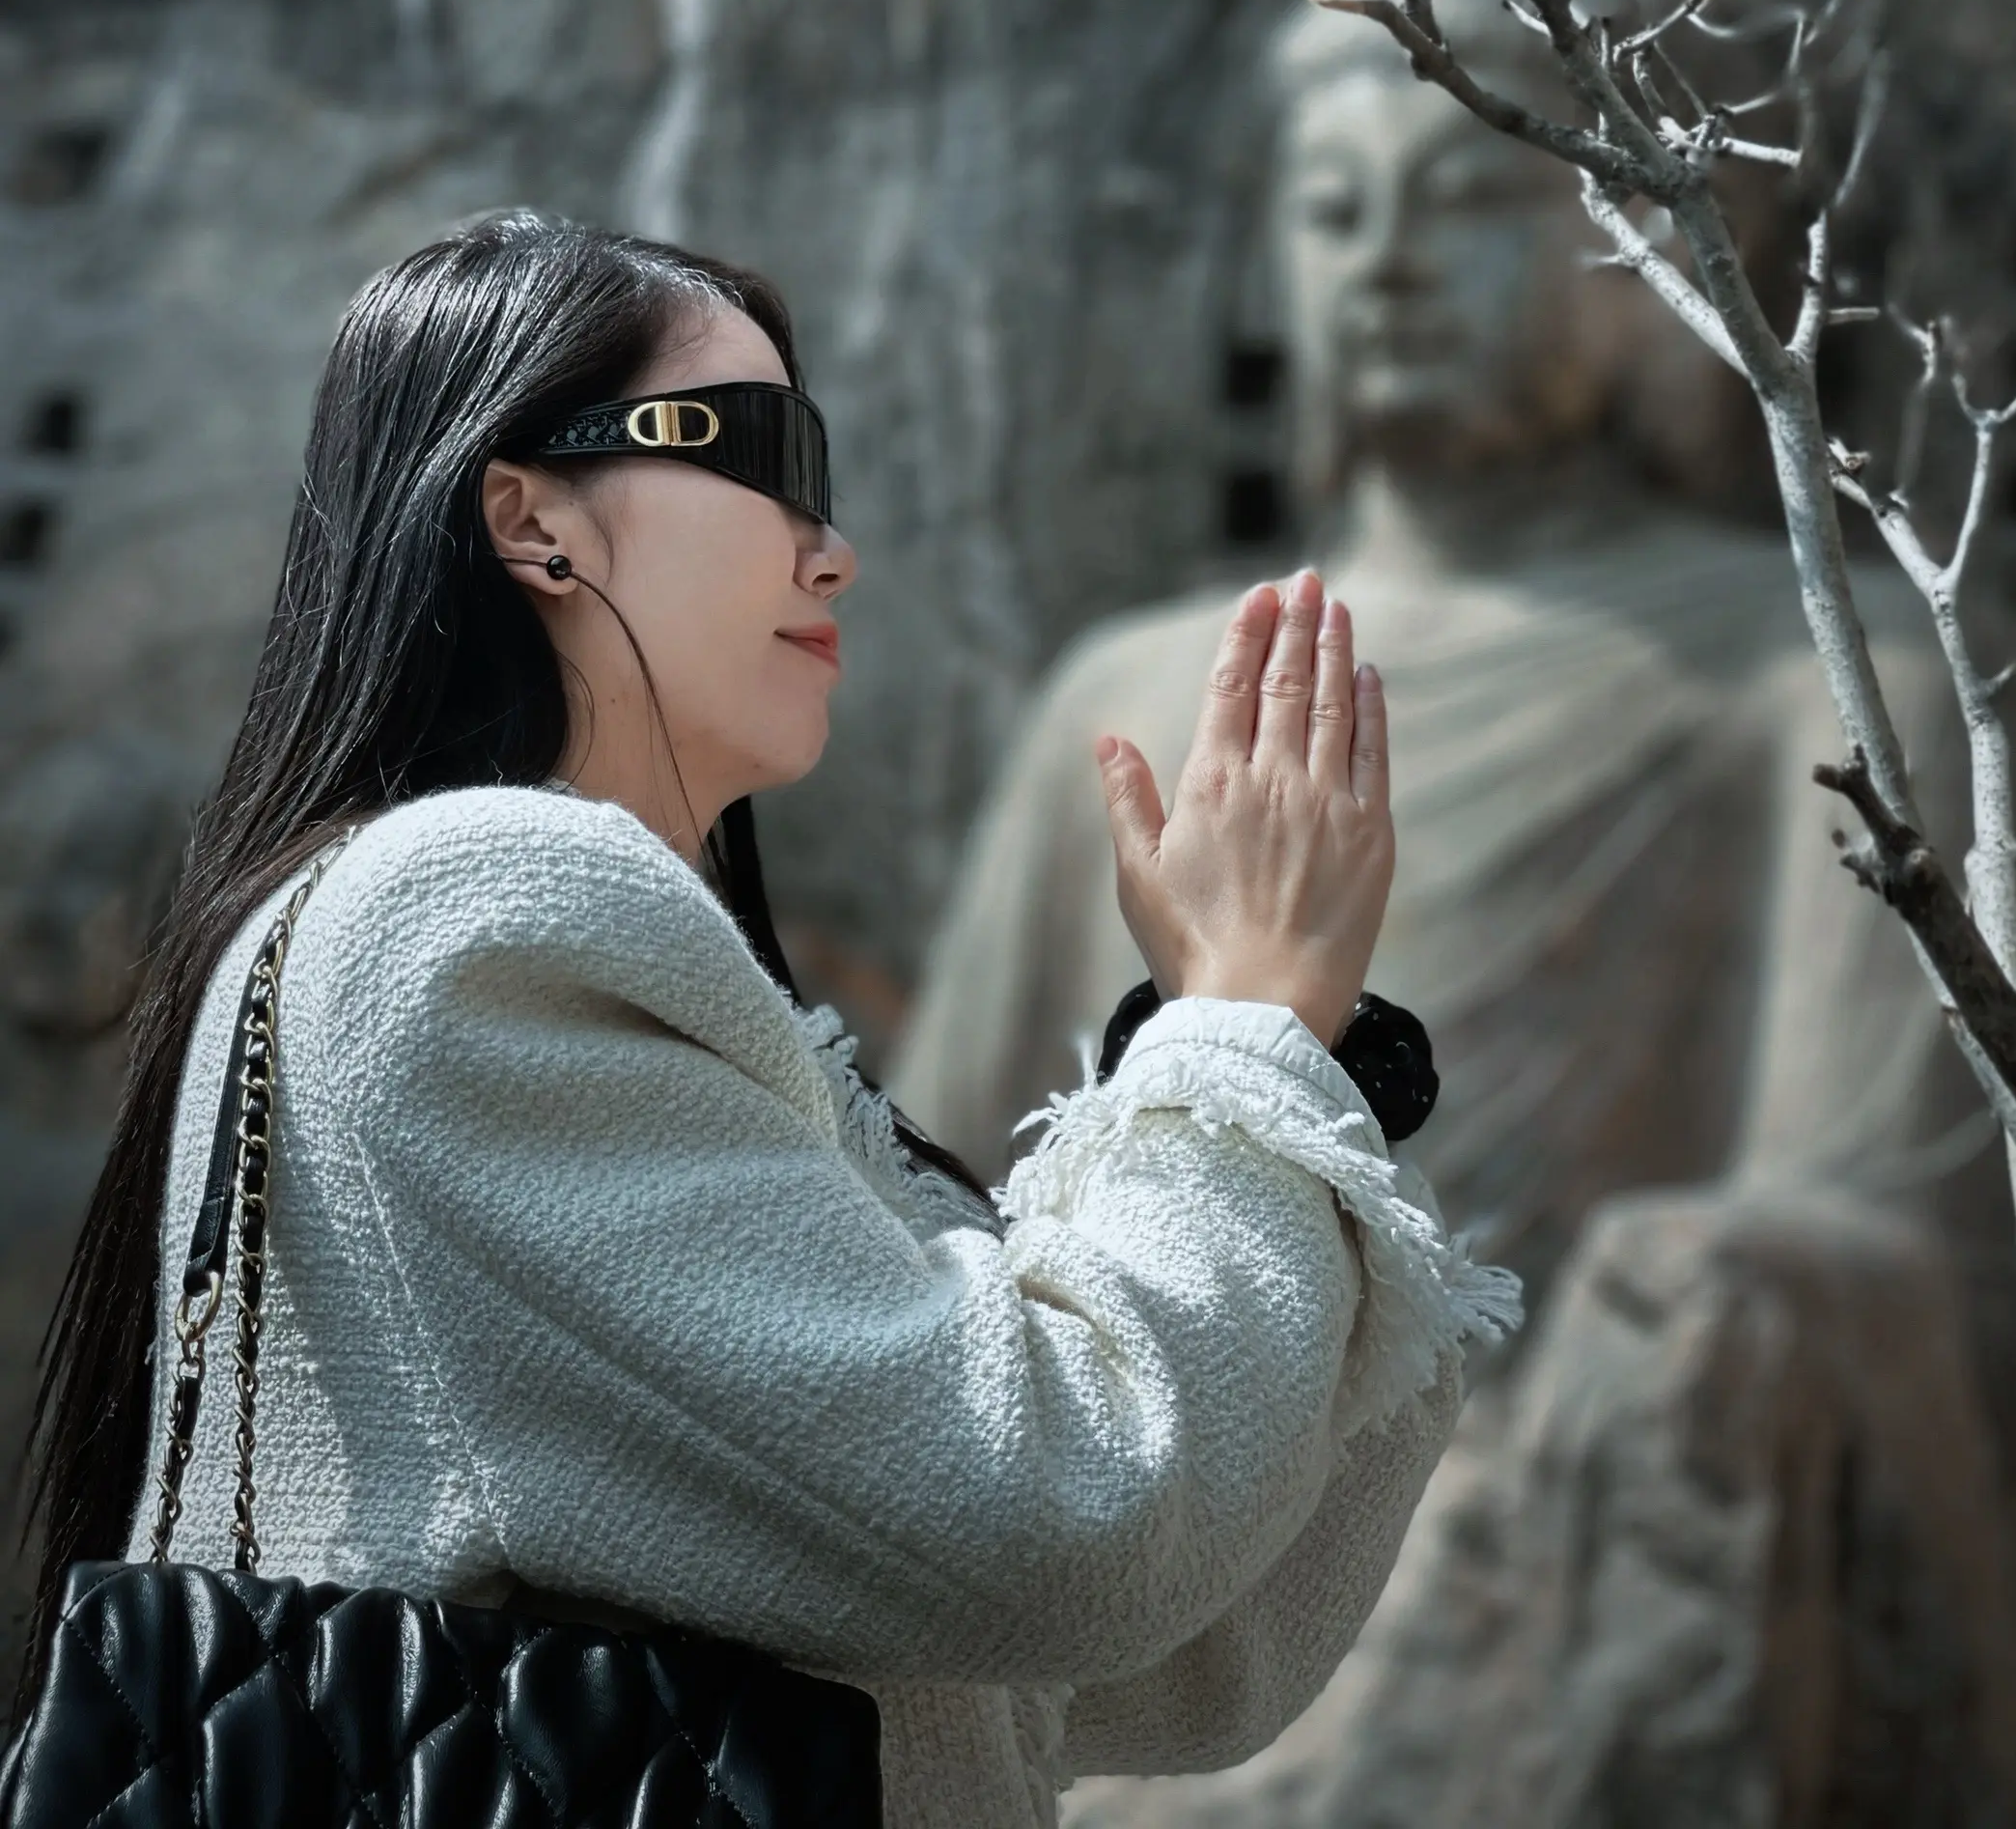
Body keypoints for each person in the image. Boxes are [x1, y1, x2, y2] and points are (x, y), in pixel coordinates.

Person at [20, 209, 1514, 1829]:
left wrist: (1279, 1061)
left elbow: (1168, 1654)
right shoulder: (470, 916)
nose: (830, 549)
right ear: (532, 522)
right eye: (760, 452)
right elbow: (1064, 1518)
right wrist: (1236, 1038)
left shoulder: (539, 954)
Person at [893, 0, 1969, 1300]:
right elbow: (928, 1202)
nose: (1389, 262)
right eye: (1335, 211)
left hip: (1584, 1404)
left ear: (1645, 246)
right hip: (1154, 1396)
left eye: (1466, 204)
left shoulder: (1820, 674)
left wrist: (1708, 1298)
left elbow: (1889, 1230)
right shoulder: (1126, 692)